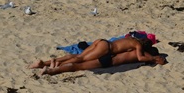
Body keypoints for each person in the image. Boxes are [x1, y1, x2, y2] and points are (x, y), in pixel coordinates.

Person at [30, 35, 158, 70]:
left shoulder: (131, 38)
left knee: (78, 56)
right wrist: (152, 58)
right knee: (80, 60)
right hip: (106, 48)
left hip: (101, 41)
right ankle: (54, 64)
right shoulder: (137, 45)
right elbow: (140, 58)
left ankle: (44, 63)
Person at [35, 47, 166, 76]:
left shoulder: (135, 47)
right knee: (77, 66)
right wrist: (156, 59)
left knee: (79, 59)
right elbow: (146, 59)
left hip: (108, 55)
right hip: (107, 62)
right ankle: (51, 70)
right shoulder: (145, 54)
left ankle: (50, 64)